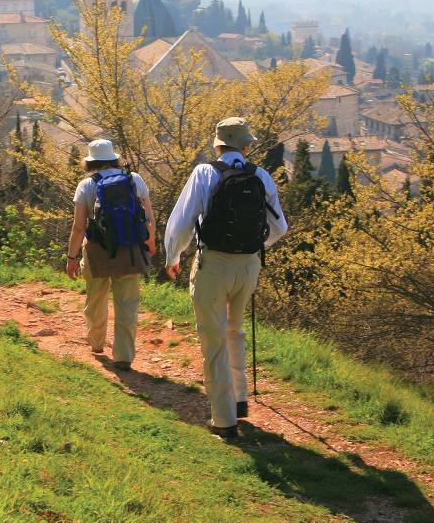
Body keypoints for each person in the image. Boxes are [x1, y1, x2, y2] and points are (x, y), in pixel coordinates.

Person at [164, 117, 287, 440]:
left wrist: (172, 257)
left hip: (213, 265)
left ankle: (224, 420)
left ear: (217, 145)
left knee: (213, 339)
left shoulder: (205, 173)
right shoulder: (260, 175)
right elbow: (280, 228)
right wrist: (254, 248)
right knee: (235, 329)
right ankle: (240, 398)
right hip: (249, 266)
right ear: (246, 146)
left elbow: (181, 224)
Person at [66, 138, 156, 370]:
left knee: (95, 298)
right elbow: (149, 219)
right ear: (114, 158)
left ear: (91, 162)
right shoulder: (134, 179)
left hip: (97, 251)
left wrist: (72, 257)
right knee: (127, 304)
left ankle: (96, 343)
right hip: (131, 250)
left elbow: (78, 227)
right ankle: (124, 356)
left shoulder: (86, 185)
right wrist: (150, 242)